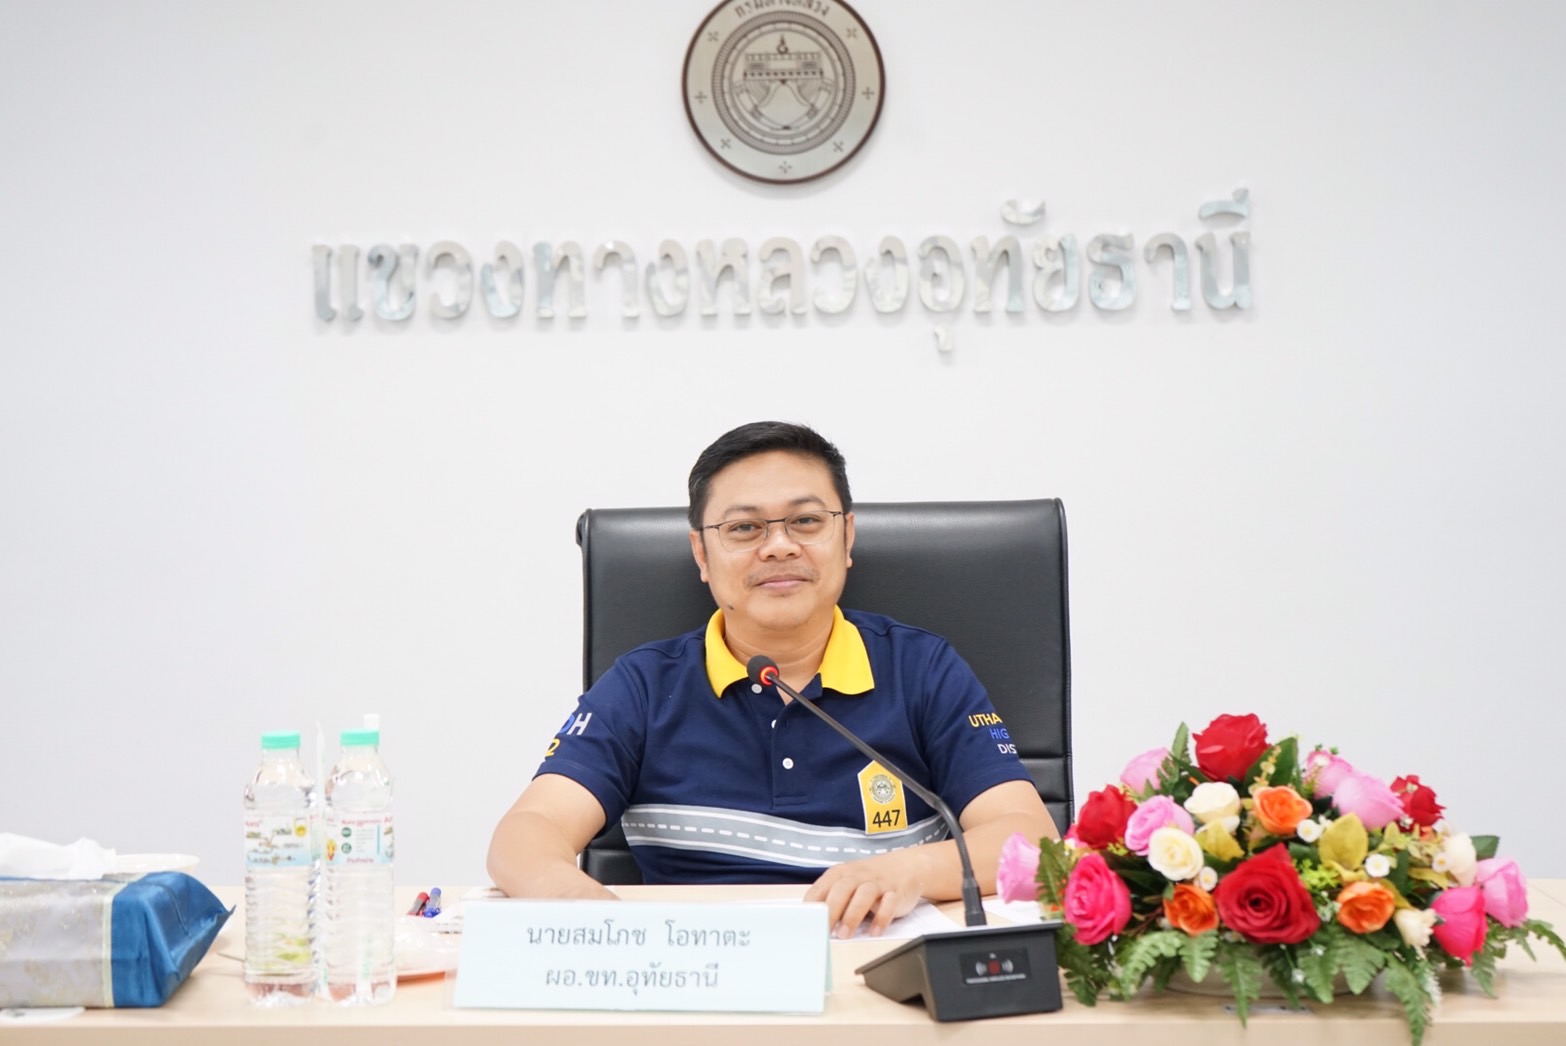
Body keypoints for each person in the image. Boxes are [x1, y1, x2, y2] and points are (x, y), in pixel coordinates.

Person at [487, 421, 1057, 937]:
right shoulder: (643, 686)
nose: (779, 546)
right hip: (694, 969)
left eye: (806, 521)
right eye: (744, 528)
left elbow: (1032, 839)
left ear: (847, 537)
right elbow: (527, 832)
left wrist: (909, 870)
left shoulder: (922, 669)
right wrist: (574, 901)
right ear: (701, 554)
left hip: (878, 969)